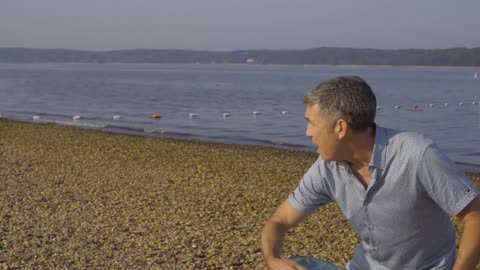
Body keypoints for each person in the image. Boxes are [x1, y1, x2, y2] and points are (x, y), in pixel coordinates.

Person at [261, 76, 480, 270]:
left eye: (311, 123)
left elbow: (475, 216)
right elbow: (280, 220)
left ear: (340, 128)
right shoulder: (327, 167)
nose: (307, 132)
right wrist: (273, 260)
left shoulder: (417, 155)